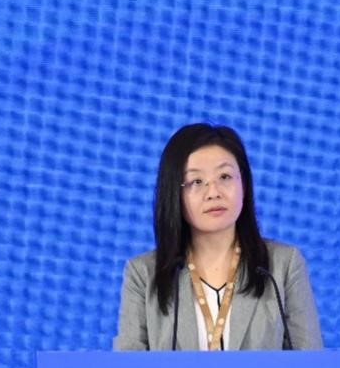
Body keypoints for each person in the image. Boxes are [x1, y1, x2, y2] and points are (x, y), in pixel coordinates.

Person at [113, 123, 323, 351]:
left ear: (244, 184)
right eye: (196, 182)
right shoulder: (143, 274)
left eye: (224, 176)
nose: (213, 192)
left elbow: (310, 363)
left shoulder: (282, 266)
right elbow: (128, 367)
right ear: (174, 193)